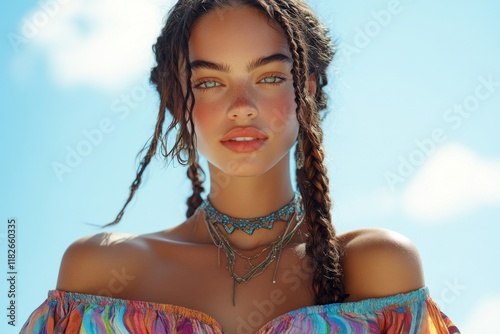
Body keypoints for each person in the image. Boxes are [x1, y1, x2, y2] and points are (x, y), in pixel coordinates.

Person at [21, 0, 460, 333]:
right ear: (179, 102)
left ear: (304, 89)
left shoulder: (375, 265)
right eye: (210, 82)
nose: (242, 108)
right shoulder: (100, 272)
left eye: (268, 77)